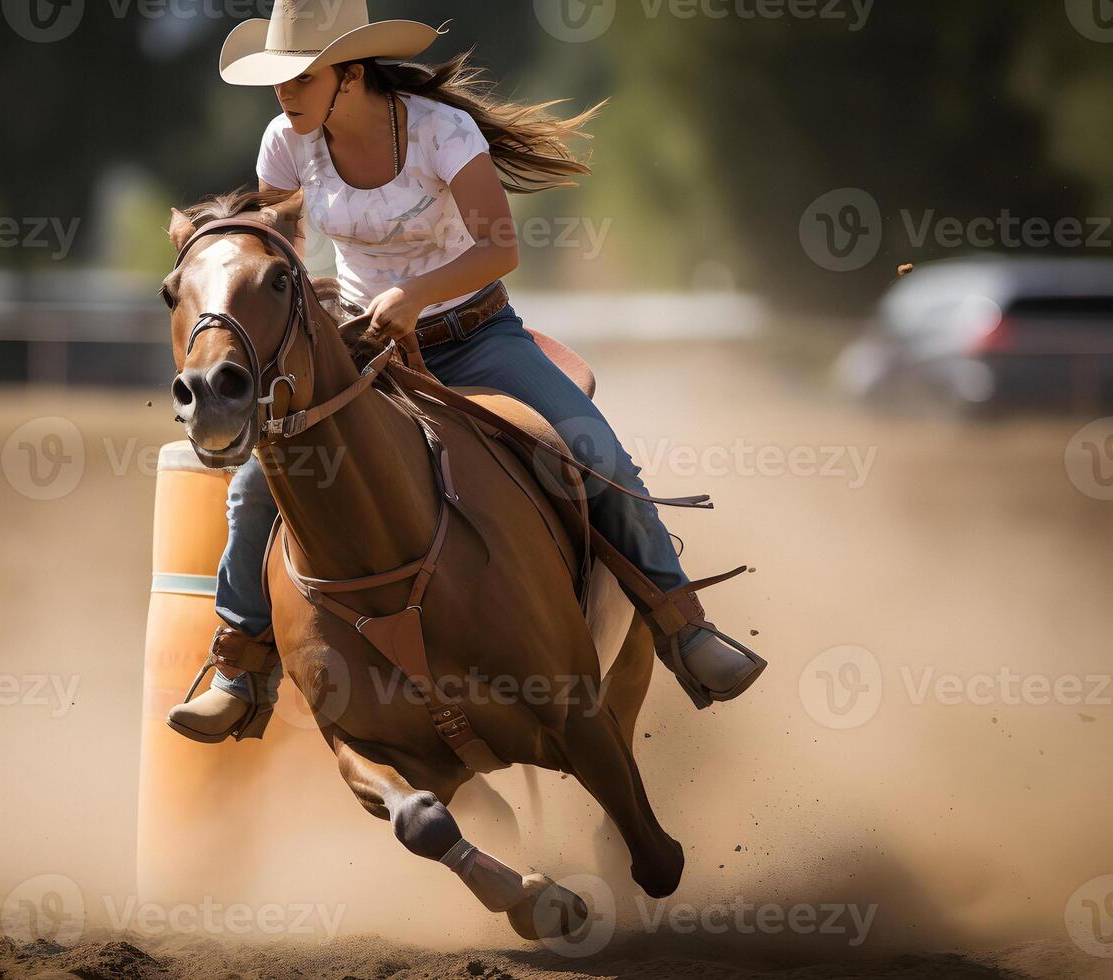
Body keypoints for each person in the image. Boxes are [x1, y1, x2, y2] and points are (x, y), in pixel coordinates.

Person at [168, 0, 766, 743]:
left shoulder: (440, 131)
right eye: (278, 79)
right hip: (366, 350)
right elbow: (271, 252)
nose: (283, 92)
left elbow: (499, 247)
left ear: (350, 74)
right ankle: (240, 671)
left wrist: (414, 296)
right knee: (259, 483)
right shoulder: (286, 145)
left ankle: (683, 628)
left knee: (589, 446)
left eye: (301, 75)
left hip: (477, 336)